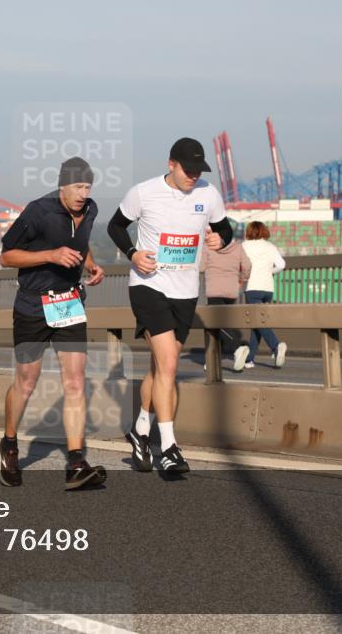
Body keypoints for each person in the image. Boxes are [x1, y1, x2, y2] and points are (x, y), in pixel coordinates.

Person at [108, 137, 231, 475]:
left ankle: (140, 431)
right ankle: (170, 448)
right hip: (148, 287)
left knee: (160, 367)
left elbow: (225, 229)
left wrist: (221, 239)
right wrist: (133, 254)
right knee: (170, 363)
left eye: (198, 170)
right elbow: (115, 226)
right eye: (188, 170)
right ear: (171, 164)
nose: (194, 176)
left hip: (186, 291)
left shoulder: (208, 194)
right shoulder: (143, 192)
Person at [0, 157, 107, 491]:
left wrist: (90, 264)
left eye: (87, 187)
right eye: (77, 187)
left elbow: (80, 241)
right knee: (26, 383)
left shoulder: (90, 210)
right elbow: (6, 255)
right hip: (32, 306)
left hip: (69, 305)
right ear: (62, 185)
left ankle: (75, 462)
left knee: (75, 382)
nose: (82, 194)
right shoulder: (38, 211)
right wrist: (51, 255)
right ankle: (10, 445)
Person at [234, 221, 288, 371]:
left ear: (249, 232)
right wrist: (270, 271)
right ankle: (249, 359)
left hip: (252, 287)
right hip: (268, 288)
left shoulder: (244, 246)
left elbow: (238, 264)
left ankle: (276, 347)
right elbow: (282, 264)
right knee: (257, 324)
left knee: (257, 321)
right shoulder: (270, 246)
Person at [201, 234, 251, 370]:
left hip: (215, 290)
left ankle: (237, 348)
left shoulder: (207, 247)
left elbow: (200, 268)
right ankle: (212, 361)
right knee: (223, 325)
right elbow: (247, 265)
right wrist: (242, 279)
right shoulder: (237, 247)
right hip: (231, 291)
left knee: (214, 325)